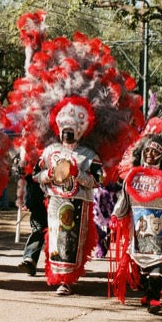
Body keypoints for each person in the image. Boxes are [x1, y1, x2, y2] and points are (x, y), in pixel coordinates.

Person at [110, 134, 162, 313]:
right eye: (147, 151)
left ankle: (155, 297)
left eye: (155, 152)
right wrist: (116, 215)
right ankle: (149, 291)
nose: (150, 155)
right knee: (142, 266)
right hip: (138, 227)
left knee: (158, 264)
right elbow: (124, 199)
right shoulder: (133, 174)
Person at [33, 97, 102, 296]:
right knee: (55, 240)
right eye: (64, 129)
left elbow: (98, 181)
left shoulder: (88, 155)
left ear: (79, 131)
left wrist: (77, 173)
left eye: (71, 129)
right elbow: (35, 176)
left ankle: (68, 280)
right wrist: (50, 174)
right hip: (55, 201)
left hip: (78, 202)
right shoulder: (50, 151)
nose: (67, 133)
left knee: (71, 241)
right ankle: (57, 277)